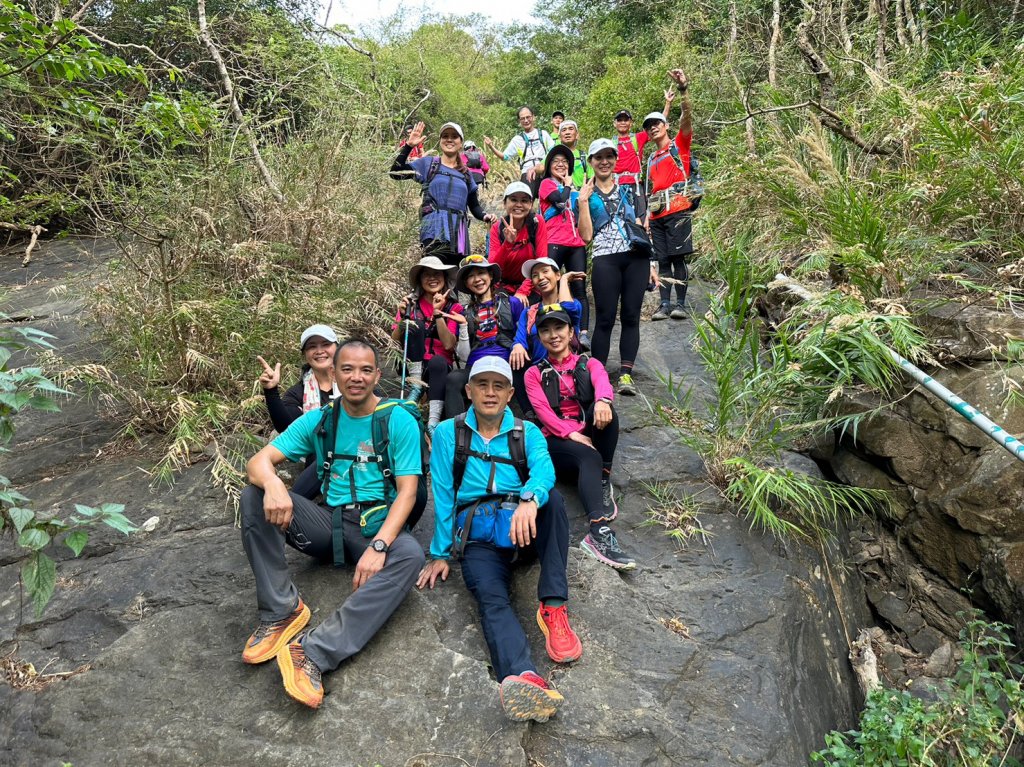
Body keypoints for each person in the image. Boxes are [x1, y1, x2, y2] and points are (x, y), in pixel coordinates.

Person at [239, 339, 426, 709]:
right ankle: (282, 611)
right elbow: (258, 462)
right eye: (348, 369)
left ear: (377, 375)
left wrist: (380, 546)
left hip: (376, 524)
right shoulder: (321, 419)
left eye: (366, 370)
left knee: (410, 556)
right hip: (328, 523)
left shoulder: (397, 419)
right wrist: (275, 484)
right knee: (253, 495)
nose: (357, 378)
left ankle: (312, 652)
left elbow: (407, 492)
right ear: (333, 373)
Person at [417, 356, 581, 723]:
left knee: (551, 500)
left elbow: (544, 469)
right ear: (469, 390)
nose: (490, 393)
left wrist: (529, 498)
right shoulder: (447, 433)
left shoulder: (527, 432)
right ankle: (524, 676)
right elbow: (443, 493)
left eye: (498, 386)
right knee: (491, 599)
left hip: (524, 528)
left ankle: (553, 605)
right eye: (482, 385)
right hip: (479, 537)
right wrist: (440, 552)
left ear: (510, 393)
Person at [525, 306, 635, 570]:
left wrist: (603, 401)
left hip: (586, 430)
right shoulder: (533, 373)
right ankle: (598, 531)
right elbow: (542, 411)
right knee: (587, 453)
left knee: (608, 411)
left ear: (571, 331)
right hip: (557, 440)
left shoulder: (589, 363)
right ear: (540, 337)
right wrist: (570, 433)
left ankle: (603, 476)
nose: (553, 335)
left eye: (559, 328)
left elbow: (602, 383)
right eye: (546, 330)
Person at [577, 138, 660, 396]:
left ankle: (625, 374)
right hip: (605, 258)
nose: (604, 162)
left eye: (608, 156)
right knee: (604, 317)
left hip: (635, 257)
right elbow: (586, 236)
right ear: (591, 162)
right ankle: (600, 376)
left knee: (631, 316)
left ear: (615, 159)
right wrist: (581, 202)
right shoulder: (584, 194)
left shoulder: (630, 187)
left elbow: (639, 224)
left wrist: (652, 264)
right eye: (598, 157)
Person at [391, 121, 498, 266]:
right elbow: (396, 172)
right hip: (433, 229)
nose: (449, 139)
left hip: (459, 234)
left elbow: (474, 206)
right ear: (440, 141)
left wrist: (485, 215)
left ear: (461, 143)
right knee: (433, 274)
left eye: (454, 136)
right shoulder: (429, 164)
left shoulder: (466, 174)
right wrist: (409, 146)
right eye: (445, 136)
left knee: (455, 277)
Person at [257, 324, 340, 499]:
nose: (319, 351)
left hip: (359, 452)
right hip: (318, 459)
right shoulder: (298, 393)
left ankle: (295, 505)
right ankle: (296, 506)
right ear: (305, 354)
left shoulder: (355, 383)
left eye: (325, 344)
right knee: (326, 450)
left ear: (337, 348)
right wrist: (271, 391)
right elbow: (287, 427)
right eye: (312, 346)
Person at [444, 254, 526, 418]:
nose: (477, 279)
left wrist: (519, 344)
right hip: (476, 365)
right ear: (467, 284)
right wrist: (463, 325)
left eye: (481, 273)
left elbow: (525, 329)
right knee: (454, 379)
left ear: (490, 276)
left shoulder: (511, 303)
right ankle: (457, 429)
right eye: (471, 276)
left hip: (508, 361)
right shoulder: (465, 312)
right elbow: (463, 356)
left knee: (527, 370)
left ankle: (530, 418)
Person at [644, 69, 696, 321]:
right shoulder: (651, 157)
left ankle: (681, 304)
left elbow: (687, 117)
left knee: (678, 258)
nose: (653, 128)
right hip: (657, 214)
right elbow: (650, 189)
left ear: (665, 126)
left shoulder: (679, 146)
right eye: (649, 126)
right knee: (662, 260)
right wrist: (646, 217)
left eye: (656, 124)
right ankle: (664, 304)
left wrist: (684, 90)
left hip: (678, 208)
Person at [391, 256, 462, 433]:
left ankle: (433, 422)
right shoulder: (410, 304)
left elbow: (448, 344)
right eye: (426, 275)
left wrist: (438, 314)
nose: (432, 278)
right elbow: (395, 337)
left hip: (439, 365)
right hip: (413, 362)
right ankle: (416, 387)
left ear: (445, 278)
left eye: (437, 274)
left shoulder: (454, 308)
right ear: (419, 280)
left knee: (437, 361)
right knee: (416, 324)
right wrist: (404, 317)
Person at [538, 145, 591, 350]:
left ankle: (582, 334)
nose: (561, 164)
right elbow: (559, 202)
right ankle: (548, 327)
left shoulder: (574, 189)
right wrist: (568, 185)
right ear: (549, 166)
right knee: (548, 285)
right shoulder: (546, 184)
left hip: (575, 243)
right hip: (553, 241)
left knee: (580, 289)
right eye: (556, 162)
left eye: (565, 162)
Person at [511, 257, 584, 369]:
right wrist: (517, 346)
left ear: (557, 275)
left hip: (569, 370)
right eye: (535, 275)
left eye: (545, 271)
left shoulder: (574, 304)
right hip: (539, 371)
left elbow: (568, 309)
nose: (540, 277)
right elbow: (519, 338)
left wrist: (564, 280)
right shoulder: (528, 312)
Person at [611, 90, 675, 215]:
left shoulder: (637, 138)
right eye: (619, 120)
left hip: (636, 186)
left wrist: (668, 103)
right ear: (615, 124)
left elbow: (658, 125)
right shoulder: (610, 144)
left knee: (641, 218)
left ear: (631, 123)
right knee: (620, 218)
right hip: (617, 186)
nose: (622, 122)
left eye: (626, 120)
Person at [487, 181, 549, 300]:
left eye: (524, 200)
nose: (519, 205)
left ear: (531, 204)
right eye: (514, 200)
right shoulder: (497, 228)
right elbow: (494, 267)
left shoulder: (536, 222)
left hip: (532, 284)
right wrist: (507, 244)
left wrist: (523, 290)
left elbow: (541, 261)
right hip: (504, 286)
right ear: (505, 203)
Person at [484, 106, 554, 183]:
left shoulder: (543, 134)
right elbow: (505, 157)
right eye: (522, 118)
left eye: (528, 117)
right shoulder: (517, 139)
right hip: (527, 173)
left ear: (533, 117)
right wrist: (491, 146)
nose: (526, 120)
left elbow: (553, 151)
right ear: (519, 121)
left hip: (544, 171)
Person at [557, 121, 593, 188]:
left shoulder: (585, 157)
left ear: (577, 135)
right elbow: (541, 167)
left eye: (571, 129)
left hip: (581, 195)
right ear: (559, 137)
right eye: (564, 130)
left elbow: (592, 179)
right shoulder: (553, 156)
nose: (567, 132)